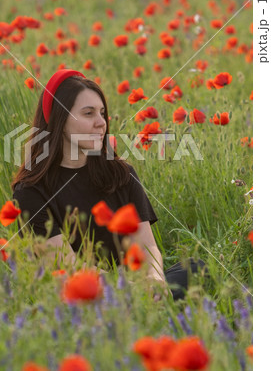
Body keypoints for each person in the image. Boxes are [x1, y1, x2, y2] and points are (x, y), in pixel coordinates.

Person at [11, 69, 206, 300]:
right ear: (60, 120)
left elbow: (147, 248)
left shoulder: (120, 174)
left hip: (135, 285)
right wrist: (128, 288)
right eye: (88, 113)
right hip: (84, 294)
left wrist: (154, 280)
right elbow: (65, 266)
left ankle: (148, 306)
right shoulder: (31, 191)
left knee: (195, 268)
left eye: (102, 113)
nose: (101, 123)